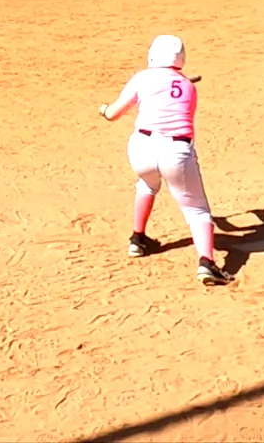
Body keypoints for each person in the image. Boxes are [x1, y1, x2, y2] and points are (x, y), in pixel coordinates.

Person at [97, 35, 231, 287]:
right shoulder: (189, 87)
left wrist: (104, 109)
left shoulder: (142, 78)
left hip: (141, 148)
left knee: (146, 185)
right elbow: (179, 110)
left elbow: (113, 114)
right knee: (197, 210)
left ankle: (138, 239)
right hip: (176, 152)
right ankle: (206, 263)